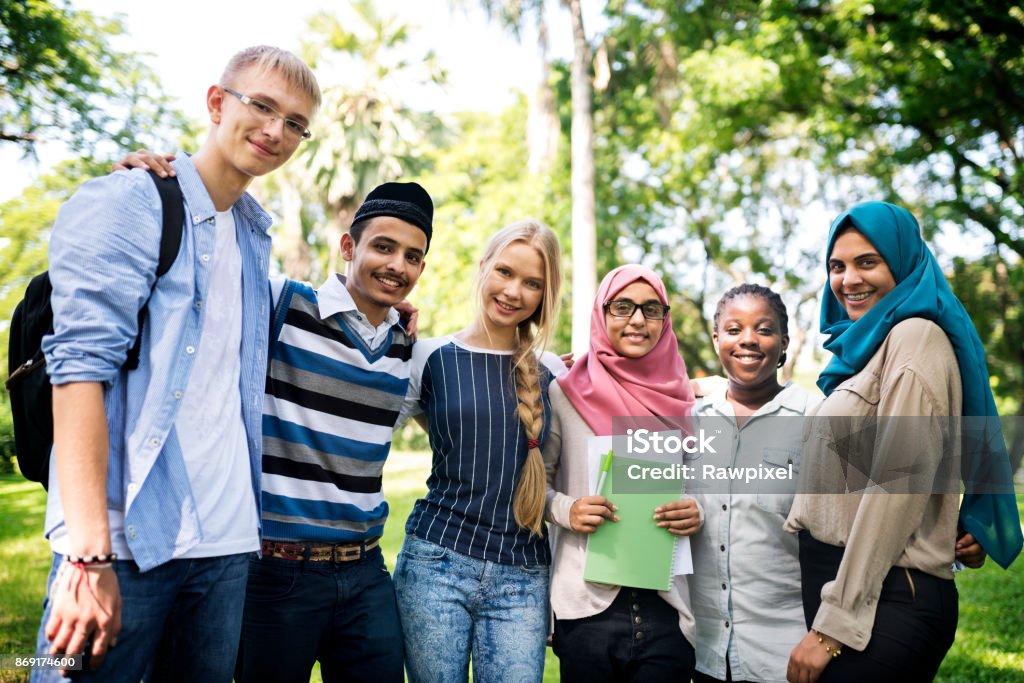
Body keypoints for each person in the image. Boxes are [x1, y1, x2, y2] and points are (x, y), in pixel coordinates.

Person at [33, 46, 321, 683]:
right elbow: (78, 370)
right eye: (262, 106)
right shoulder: (131, 201)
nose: (277, 131)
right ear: (218, 103)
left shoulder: (252, 237)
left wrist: (389, 309)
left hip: (225, 545)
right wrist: (87, 557)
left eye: (296, 123)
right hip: (123, 544)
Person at [784, 201, 1023, 682]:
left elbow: (895, 487)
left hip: (885, 600)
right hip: (862, 588)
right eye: (837, 265)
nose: (848, 279)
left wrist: (833, 627)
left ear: (904, 261)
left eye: (867, 262)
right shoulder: (874, 347)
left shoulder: (915, 337)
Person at [234, 182, 432, 683]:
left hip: (366, 573)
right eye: (383, 247)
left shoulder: (405, 350)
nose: (397, 266)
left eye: (412, 256)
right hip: (277, 571)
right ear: (349, 247)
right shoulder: (282, 305)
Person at [393, 221, 564, 682]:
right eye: (505, 272)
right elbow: (365, 423)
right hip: (436, 564)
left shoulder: (552, 373)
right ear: (483, 267)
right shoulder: (428, 357)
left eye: (533, 283)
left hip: (523, 575)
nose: (514, 291)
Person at [543, 264, 701, 682]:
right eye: (623, 307)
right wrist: (566, 508)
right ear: (601, 311)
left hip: (666, 607)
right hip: (587, 606)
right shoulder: (565, 392)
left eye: (652, 309)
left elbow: (704, 488)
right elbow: (533, 484)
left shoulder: (687, 400)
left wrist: (696, 510)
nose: (637, 320)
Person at [690, 284, 818, 683]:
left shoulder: (816, 418)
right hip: (700, 652)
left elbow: (865, 515)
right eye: (734, 329)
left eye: (763, 329)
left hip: (784, 654)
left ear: (784, 343)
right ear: (716, 340)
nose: (748, 339)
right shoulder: (687, 420)